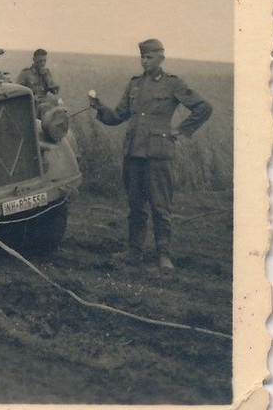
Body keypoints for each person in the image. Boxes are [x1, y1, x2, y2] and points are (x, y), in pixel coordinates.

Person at [89, 38, 212, 271]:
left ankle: (164, 255)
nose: (144, 61)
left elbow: (204, 108)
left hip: (158, 155)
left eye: (149, 57)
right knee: (136, 206)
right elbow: (118, 116)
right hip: (133, 154)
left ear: (161, 58)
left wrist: (181, 129)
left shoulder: (173, 83)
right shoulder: (134, 84)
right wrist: (99, 107)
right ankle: (134, 252)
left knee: (160, 207)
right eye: (142, 57)